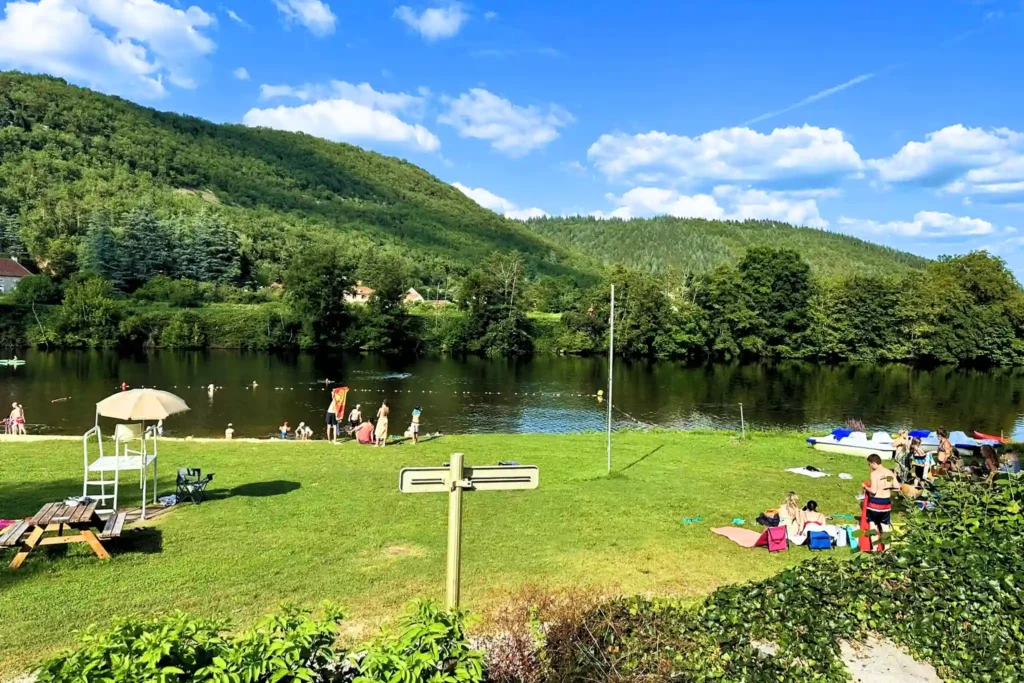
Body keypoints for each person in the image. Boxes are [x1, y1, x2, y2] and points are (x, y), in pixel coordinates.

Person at [863, 454, 897, 534]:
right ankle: (887, 547)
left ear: (874, 463)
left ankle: (874, 547)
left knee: (873, 525)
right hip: (886, 502)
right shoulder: (890, 472)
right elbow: (897, 487)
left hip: (875, 502)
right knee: (885, 526)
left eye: (869, 464)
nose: (870, 466)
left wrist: (865, 487)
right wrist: (887, 487)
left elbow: (873, 491)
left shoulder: (875, 474)